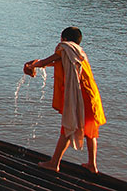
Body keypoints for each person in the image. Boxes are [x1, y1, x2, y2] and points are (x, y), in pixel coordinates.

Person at [24, 27, 106, 173]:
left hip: (79, 98)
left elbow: (50, 60)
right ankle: (92, 165)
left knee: (68, 128)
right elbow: (55, 61)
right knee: (90, 132)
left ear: (64, 39)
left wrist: (32, 65)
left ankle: (54, 163)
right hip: (91, 96)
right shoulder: (79, 52)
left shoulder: (65, 48)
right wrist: (37, 63)